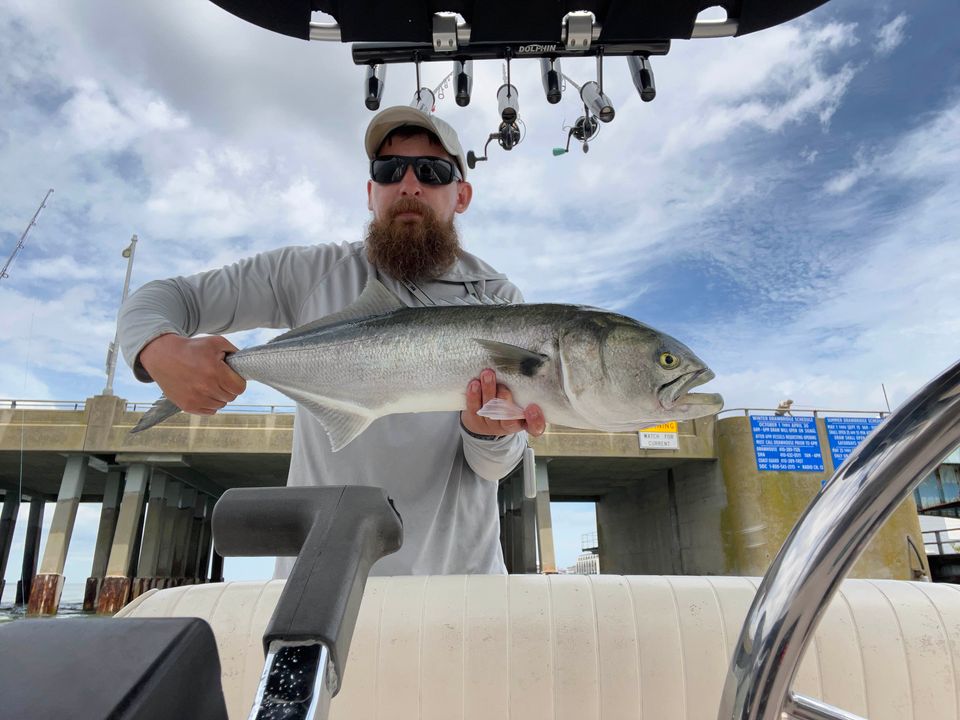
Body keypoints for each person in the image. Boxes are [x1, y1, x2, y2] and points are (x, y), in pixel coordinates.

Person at [118, 106, 545, 576]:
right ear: (370, 192)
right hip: (320, 587)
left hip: (460, 589)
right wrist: (159, 349)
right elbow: (164, 298)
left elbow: (492, 467)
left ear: (461, 195)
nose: (408, 185)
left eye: (431, 170)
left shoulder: (498, 300)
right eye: (388, 170)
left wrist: (488, 434)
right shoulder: (309, 274)